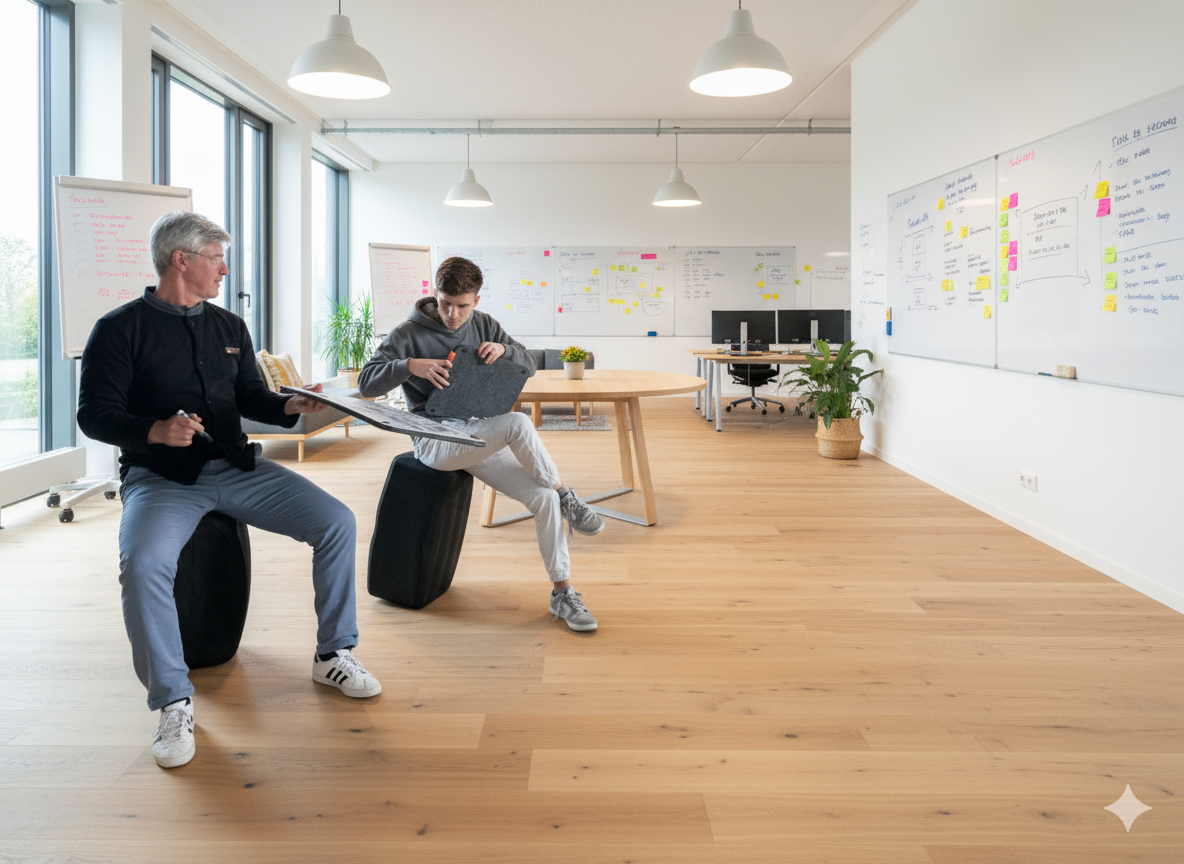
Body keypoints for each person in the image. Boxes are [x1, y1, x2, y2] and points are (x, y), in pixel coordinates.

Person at [77, 211, 380, 770]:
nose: (224, 269)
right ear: (181, 260)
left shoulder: (228, 327)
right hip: (162, 479)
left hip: (235, 467)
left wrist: (293, 404)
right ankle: (172, 701)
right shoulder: (119, 330)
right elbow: (93, 415)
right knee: (143, 566)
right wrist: (154, 431)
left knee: (336, 521)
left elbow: (250, 399)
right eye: (217, 258)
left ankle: (334, 653)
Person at [359, 256, 604, 631]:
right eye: (445, 303)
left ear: (476, 299)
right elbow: (366, 383)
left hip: (475, 434)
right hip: (435, 441)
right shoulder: (406, 333)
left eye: (463, 305)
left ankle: (563, 592)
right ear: (434, 293)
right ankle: (567, 492)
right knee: (519, 423)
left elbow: (529, 361)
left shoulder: (485, 323)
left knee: (543, 499)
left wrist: (505, 352)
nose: (453, 314)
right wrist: (409, 366)